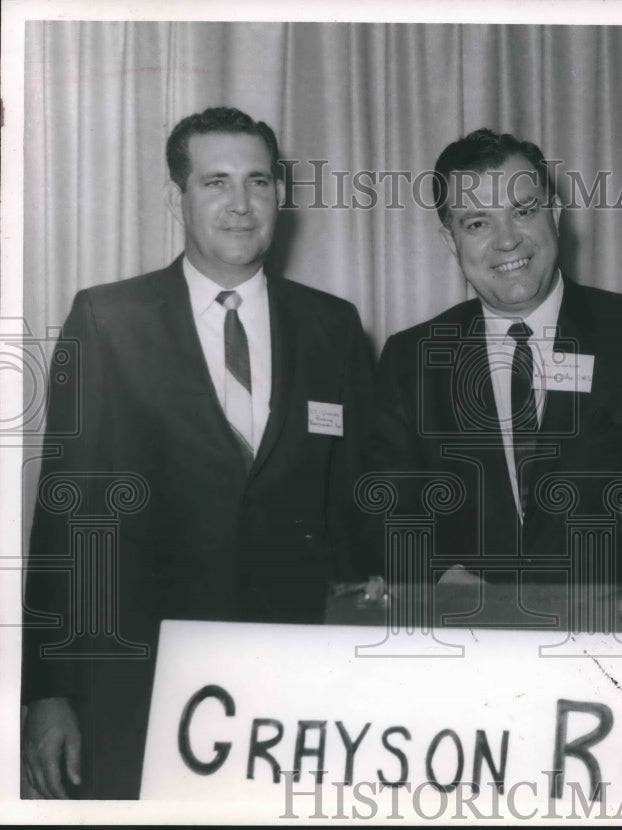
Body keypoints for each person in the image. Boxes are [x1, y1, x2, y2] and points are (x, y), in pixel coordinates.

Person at [20, 106, 374, 799]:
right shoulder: (108, 320)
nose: (241, 205)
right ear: (175, 196)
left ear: (280, 194)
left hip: (296, 686)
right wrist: (49, 690)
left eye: (259, 182)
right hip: (140, 683)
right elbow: (66, 519)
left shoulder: (333, 326)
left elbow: (357, 509)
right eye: (215, 182)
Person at [364, 128, 622, 615]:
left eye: (523, 212)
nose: (507, 240)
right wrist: (447, 580)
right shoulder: (410, 358)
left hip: (621, 646)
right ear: (450, 239)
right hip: (468, 645)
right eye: (477, 224)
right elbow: (390, 514)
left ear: (555, 211)